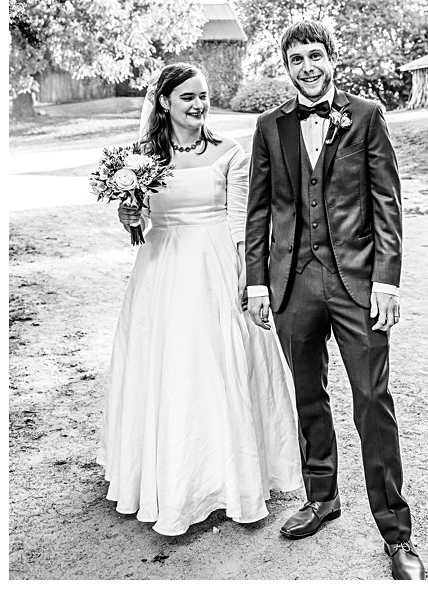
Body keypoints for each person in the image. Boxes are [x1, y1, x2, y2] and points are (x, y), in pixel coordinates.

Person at [244, 21, 424, 580]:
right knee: (307, 396)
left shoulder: (367, 116)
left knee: (373, 398)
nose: (307, 66)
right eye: (296, 58)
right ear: (287, 66)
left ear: (332, 58)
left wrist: (388, 281)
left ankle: (396, 534)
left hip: (357, 283)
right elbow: (257, 210)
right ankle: (322, 498)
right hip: (293, 284)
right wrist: (256, 281)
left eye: (315, 55)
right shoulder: (269, 127)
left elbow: (387, 204)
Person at [102, 62, 301, 536]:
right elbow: (140, 226)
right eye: (187, 96)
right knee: (169, 370)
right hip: (163, 270)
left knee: (223, 367)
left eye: (204, 95)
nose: (198, 104)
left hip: (215, 265)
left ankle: (233, 477)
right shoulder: (141, 158)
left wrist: (247, 276)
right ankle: (169, 477)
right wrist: (130, 217)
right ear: (165, 102)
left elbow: (241, 222)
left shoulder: (229, 152)